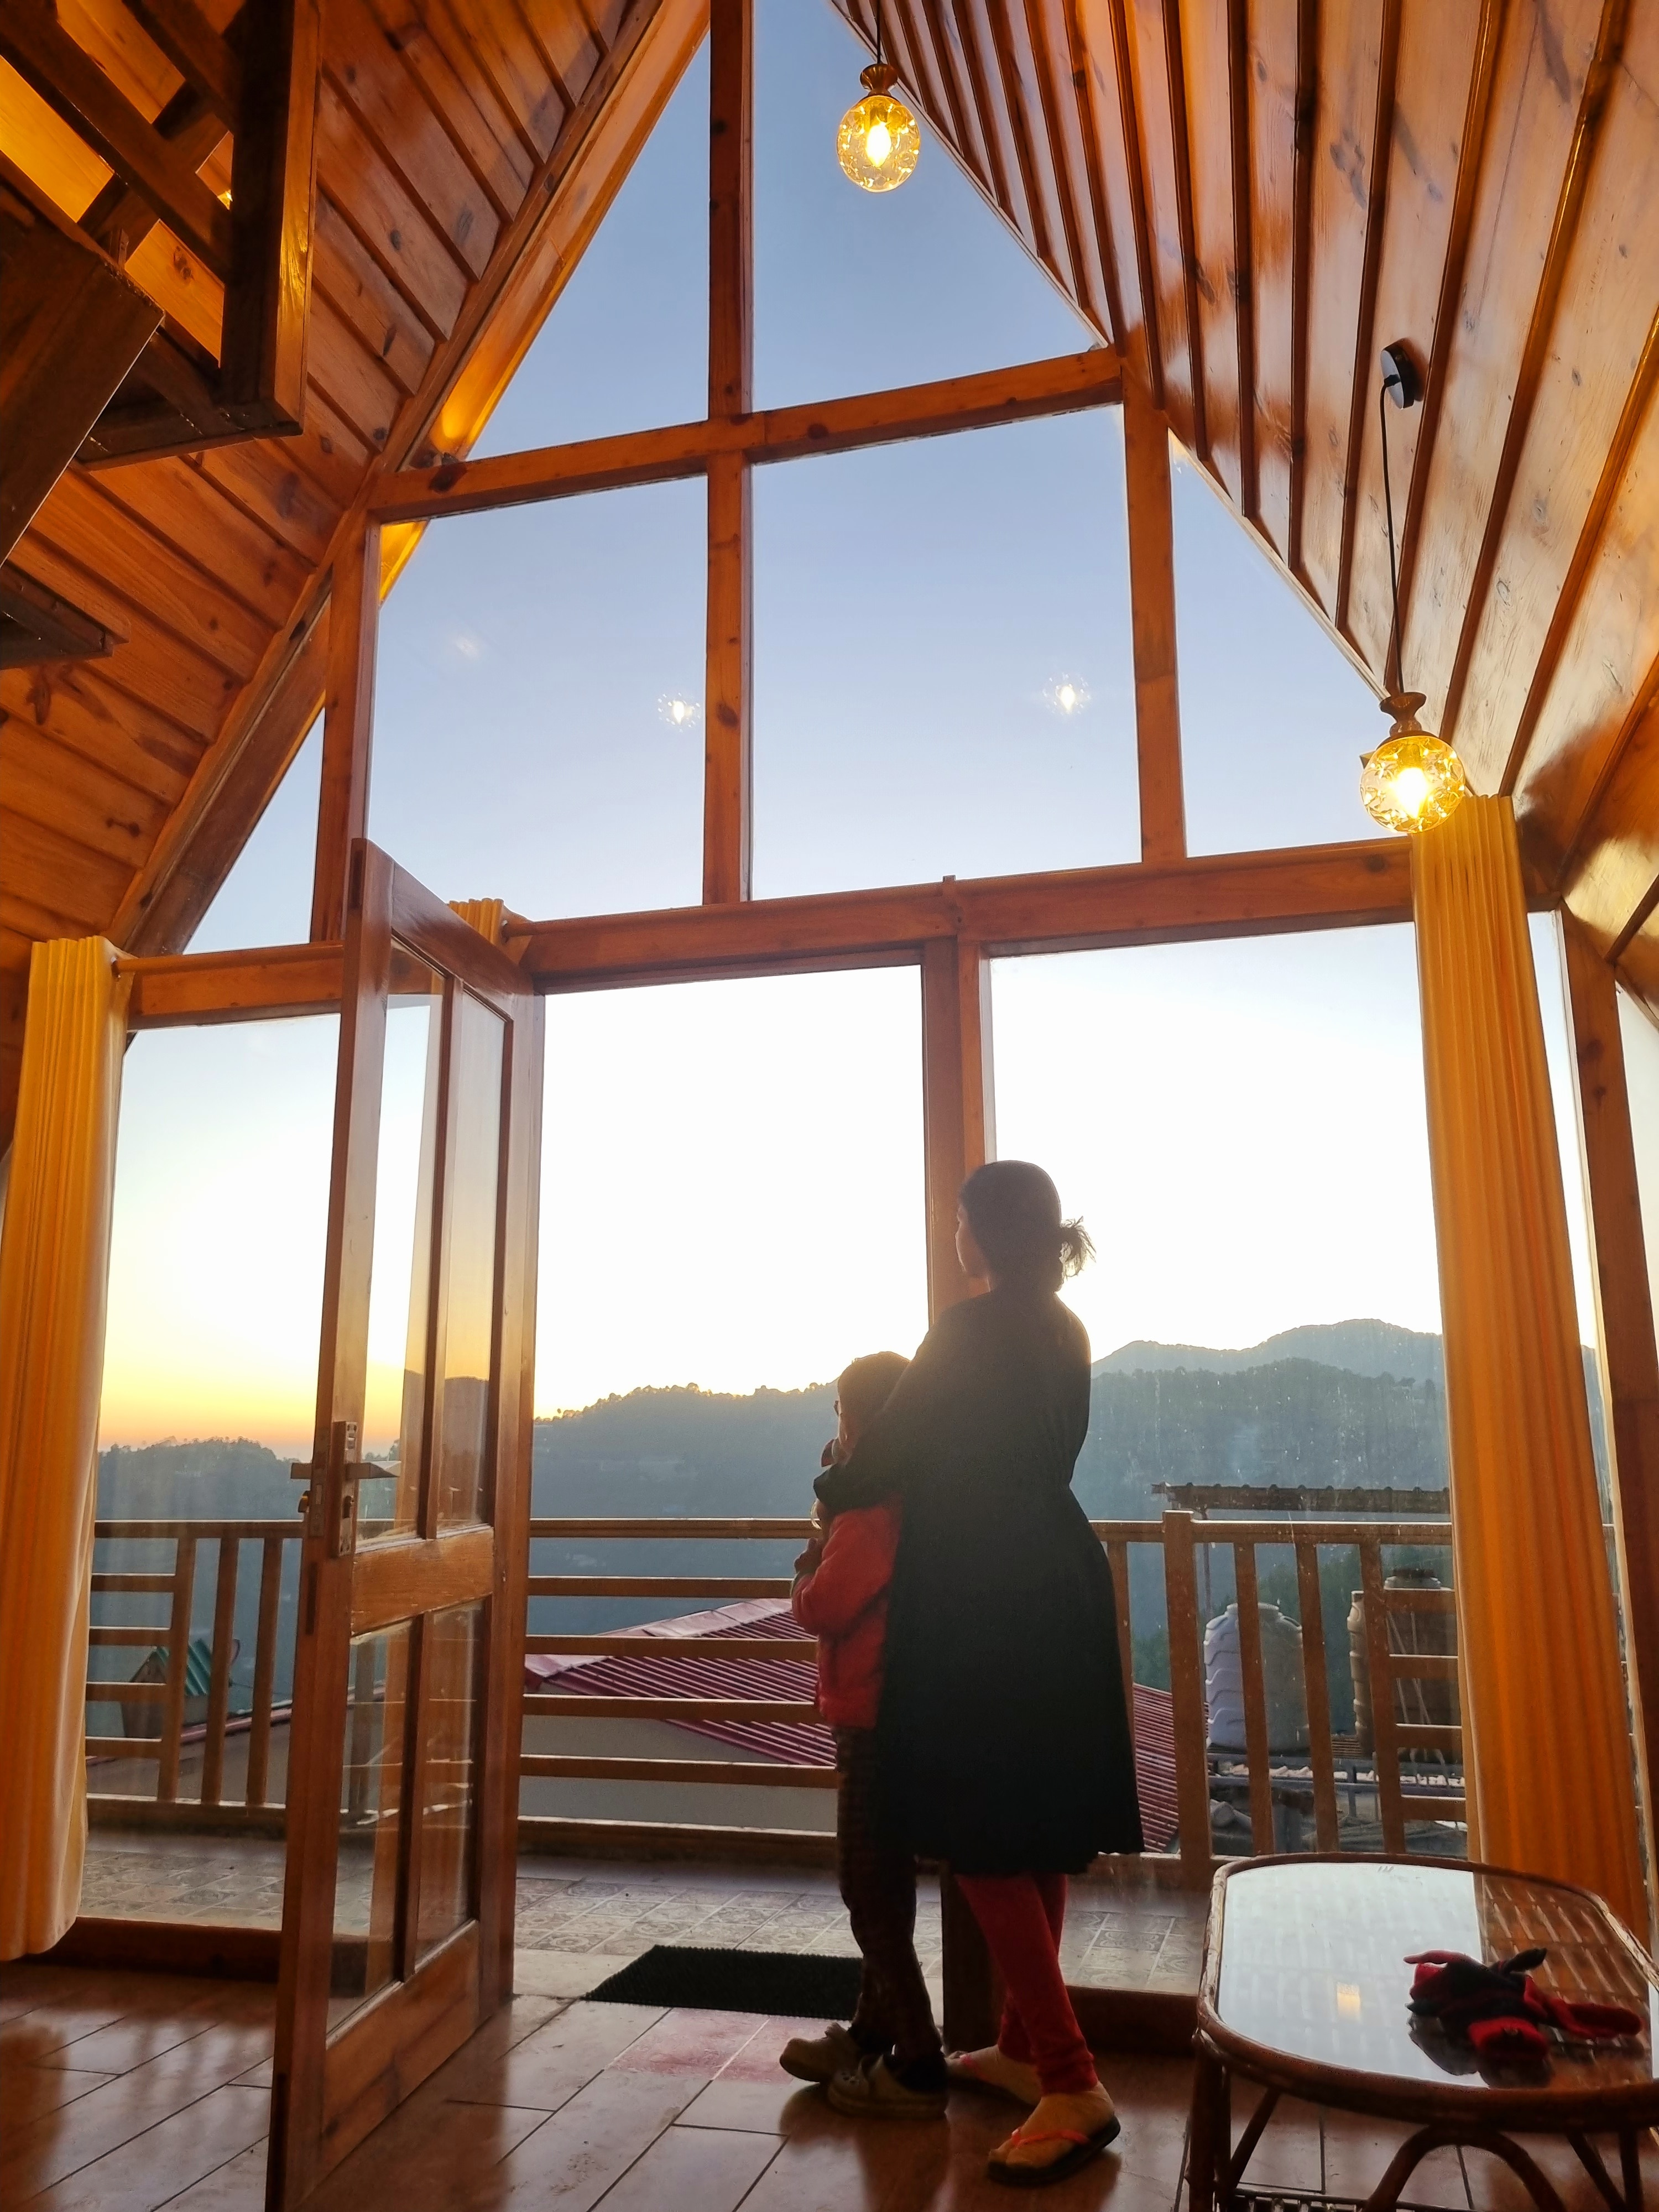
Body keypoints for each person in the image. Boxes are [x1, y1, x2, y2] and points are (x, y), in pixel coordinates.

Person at [815, 1161, 1142, 2189]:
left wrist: (832, 1480)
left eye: (957, 1220)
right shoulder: (1067, 1331)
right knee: (1033, 1828)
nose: (951, 1235)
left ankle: (1072, 2081)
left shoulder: (965, 1330)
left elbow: (886, 1457)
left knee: (983, 1838)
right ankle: (1019, 2046)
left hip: (985, 1595)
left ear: (983, 1232)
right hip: (1060, 1579)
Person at [779, 1351, 948, 2119]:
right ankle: (870, 2032)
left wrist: (804, 1572)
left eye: (843, 1412)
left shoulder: (869, 1510)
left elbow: (826, 1605)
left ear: (865, 1420)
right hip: (896, 1710)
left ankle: (917, 2058)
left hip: (870, 1716)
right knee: (886, 1883)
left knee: (867, 1889)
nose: (838, 1428)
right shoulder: (908, 1495)